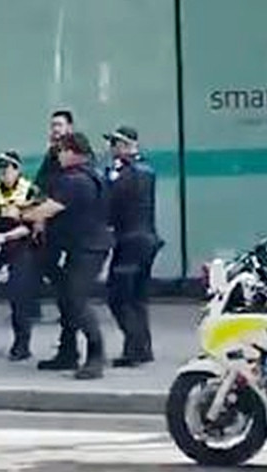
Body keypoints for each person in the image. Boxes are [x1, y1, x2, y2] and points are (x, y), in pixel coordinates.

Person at [21, 132, 112, 380]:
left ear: (74, 152)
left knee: (76, 299)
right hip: (78, 246)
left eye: (62, 150)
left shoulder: (77, 180)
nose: (58, 155)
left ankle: (96, 355)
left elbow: (50, 208)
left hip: (88, 249)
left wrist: (21, 214)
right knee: (65, 299)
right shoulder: (87, 174)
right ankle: (68, 352)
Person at [104, 126, 163, 367]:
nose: (111, 150)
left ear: (126, 146)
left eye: (115, 144)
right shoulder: (147, 169)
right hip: (146, 240)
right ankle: (141, 348)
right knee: (137, 298)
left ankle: (135, 347)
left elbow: (111, 202)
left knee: (118, 296)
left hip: (130, 241)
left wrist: (111, 178)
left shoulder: (129, 174)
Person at [0, 151, 42, 361]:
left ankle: (22, 344)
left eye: (6, 168)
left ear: (17, 169)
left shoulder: (30, 191)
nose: (2, 172)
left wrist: (5, 236)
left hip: (21, 245)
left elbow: (32, 226)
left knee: (19, 294)